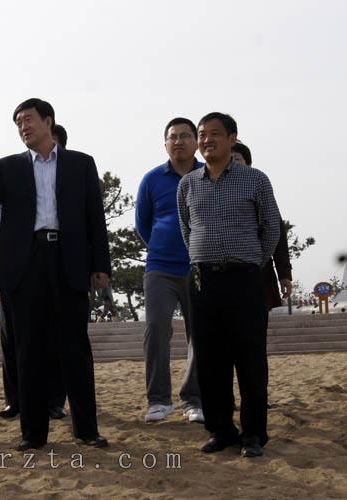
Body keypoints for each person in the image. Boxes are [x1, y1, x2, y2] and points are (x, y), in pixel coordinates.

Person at [0, 98, 110, 451]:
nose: (23, 126)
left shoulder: (80, 163)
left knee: (75, 349)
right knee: (28, 351)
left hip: (69, 259)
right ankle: (33, 434)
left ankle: (86, 430)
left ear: (48, 121)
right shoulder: (9, 166)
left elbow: (94, 215)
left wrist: (100, 265)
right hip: (25, 263)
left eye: (28, 119)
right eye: (18, 122)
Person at [177, 112, 280, 458]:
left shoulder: (255, 180)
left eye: (214, 134)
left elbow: (272, 228)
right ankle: (221, 430)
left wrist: (253, 263)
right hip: (203, 282)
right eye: (201, 135)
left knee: (250, 361)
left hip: (245, 280)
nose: (206, 140)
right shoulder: (188, 184)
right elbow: (187, 229)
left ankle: (253, 434)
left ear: (232, 138)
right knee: (210, 361)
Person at [0, 126, 69, 421]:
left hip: (59, 258)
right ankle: (15, 399)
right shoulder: (14, 171)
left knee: (56, 336)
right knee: (13, 337)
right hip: (15, 259)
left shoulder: (73, 172)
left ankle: (54, 400)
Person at [135, 118, 203, 424]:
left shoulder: (208, 175)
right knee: (156, 329)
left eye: (185, 136)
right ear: (165, 144)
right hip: (160, 268)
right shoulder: (152, 179)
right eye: (173, 137)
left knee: (199, 334)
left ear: (196, 142)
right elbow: (142, 224)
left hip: (200, 267)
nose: (179, 141)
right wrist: (162, 246)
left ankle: (194, 399)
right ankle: (159, 400)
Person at [231, 142, 293, 310]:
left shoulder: (259, 189)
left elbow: (277, 233)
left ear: (248, 164)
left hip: (258, 270)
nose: (232, 164)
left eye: (236, 159)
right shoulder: (208, 188)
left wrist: (284, 274)